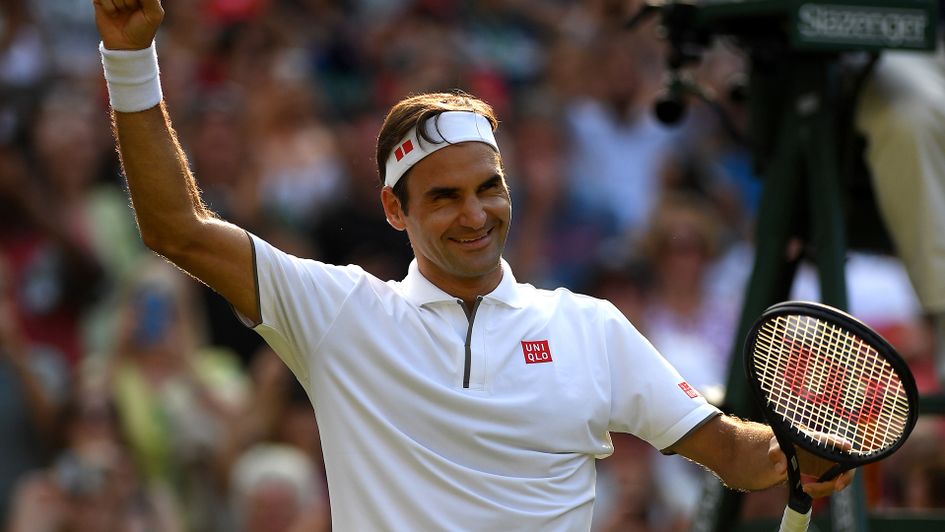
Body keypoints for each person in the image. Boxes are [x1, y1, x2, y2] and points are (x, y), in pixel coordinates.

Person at [91, 1, 854, 529]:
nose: (475, 214)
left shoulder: (589, 327)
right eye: (444, 197)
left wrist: (792, 454)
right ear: (395, 211)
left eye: (489, 187)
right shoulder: (339, 312)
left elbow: (731, 452)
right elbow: (176, 230)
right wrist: (130, 58)